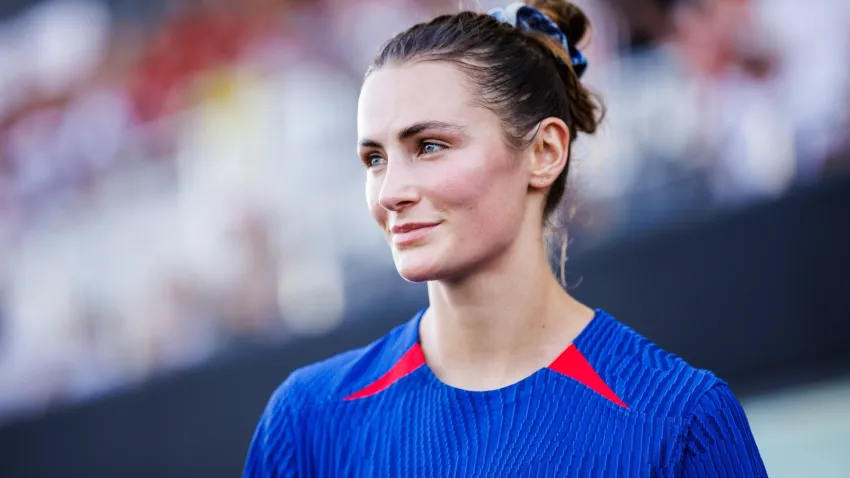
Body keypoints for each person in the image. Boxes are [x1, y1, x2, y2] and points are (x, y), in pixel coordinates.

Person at [244, 1, 768, 476]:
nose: (390, 192)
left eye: (429, 145)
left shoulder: (680, 420)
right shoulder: (307, 421)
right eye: (375, 159)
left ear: (544, 152)